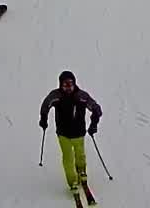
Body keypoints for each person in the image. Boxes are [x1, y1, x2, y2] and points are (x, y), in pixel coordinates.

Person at [39, 70, 103, 204]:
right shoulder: (56, 96)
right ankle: (72, 180)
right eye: (65, 85)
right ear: (60, 85)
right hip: (63, 135)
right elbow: (46, 105)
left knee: (80, 154)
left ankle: (82, 172)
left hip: (79, 133)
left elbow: (96, 108)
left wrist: (94, 124)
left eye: (70, 85)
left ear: (74, 84)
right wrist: (44, 119)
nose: (68, 88)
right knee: (68, 158)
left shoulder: (81, 96)